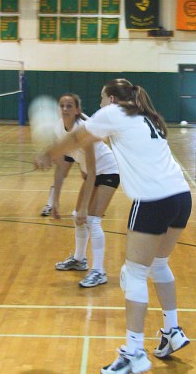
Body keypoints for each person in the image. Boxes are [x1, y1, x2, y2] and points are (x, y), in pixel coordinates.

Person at [36, 79, 192, 374]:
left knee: (132, 273)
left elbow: (75, 139)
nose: (99, 104)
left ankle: (134, 352)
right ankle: (172, 332)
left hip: (153, 201)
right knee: (159, 265)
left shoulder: (112, 114)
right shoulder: (146, 115)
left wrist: (47, 152)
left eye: (101, 98)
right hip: (181, 198)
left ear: (110, 99)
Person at [51, 93, 120, 288]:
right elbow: (62, 165)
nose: (65, 109)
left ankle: (99, 271)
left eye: (69, 106)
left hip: (108, 171)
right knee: (77, 216)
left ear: (77, 110)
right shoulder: (59, 128)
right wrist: (54, 201)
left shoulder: (85, 130)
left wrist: (84, 207)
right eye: (62, 105)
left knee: (91, 219)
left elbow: (92, 172)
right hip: (90, 173)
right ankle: (80, 259)